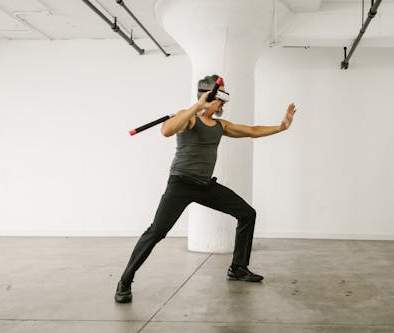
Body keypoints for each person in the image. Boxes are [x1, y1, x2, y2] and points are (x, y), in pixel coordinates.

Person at [115, 74, 296, 303]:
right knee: (157, 232)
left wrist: (281, 127)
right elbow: (166, 131)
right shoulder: (188, 118)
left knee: (247, 213)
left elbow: (251, 130)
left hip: (204, 186)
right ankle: (124, 281)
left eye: (223, 98)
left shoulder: (220, 125)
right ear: (207, 96)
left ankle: (238, 268)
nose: (223, 103)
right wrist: (197, 106)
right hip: (180, 184)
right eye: (219, 97)